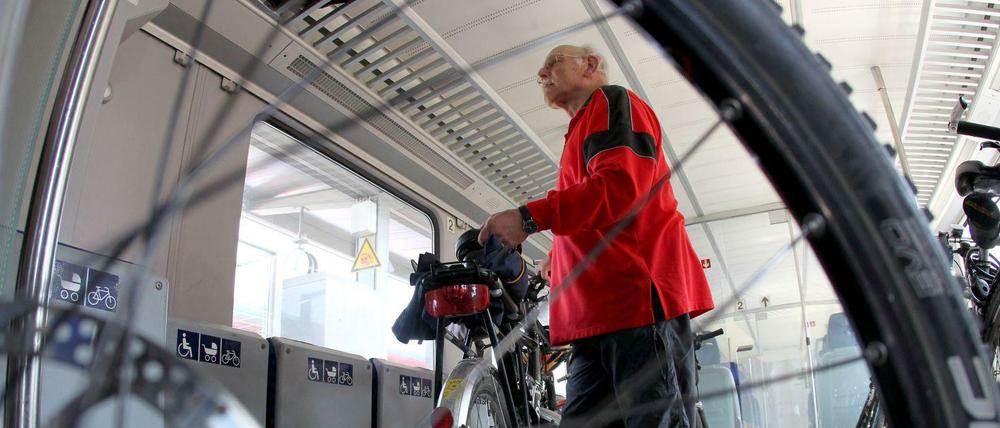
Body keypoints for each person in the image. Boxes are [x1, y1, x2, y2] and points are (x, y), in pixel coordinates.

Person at [477, 44, 715, 427]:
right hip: (596, 320)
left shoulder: (611, 101)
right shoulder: (578, 134)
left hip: (635, 306)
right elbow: (597, 212)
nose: (541, 74)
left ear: (590, 64)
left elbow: (621, 190)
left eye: (551, 63)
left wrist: (528, 218)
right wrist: (560, 257)